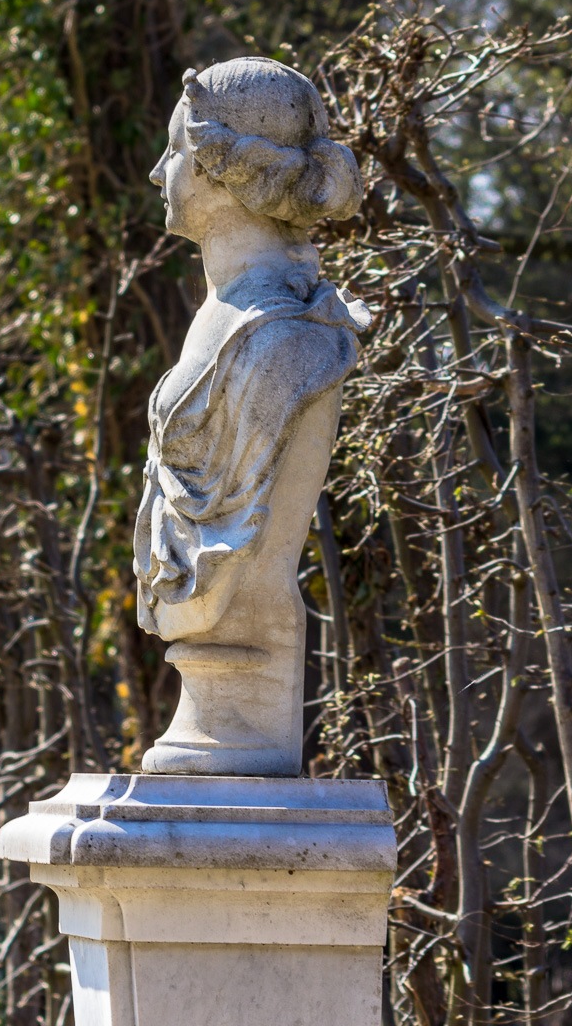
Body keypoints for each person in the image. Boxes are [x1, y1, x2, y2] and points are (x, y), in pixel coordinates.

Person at [135, 57, 369, 774]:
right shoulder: (225, 320)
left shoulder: (284, 341)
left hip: (242, 698)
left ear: (219, 169)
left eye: (174, 151)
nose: (157, 172)